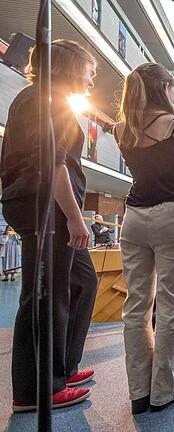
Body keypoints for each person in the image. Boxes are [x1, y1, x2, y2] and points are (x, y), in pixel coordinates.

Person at [1, 40, 98, 412]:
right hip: (45, 208)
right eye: (89, 72)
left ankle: (61, 367)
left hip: (40, 205)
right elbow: (54, 166)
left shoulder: (40, 98)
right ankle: (33, 390)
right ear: (69, 67)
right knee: (45, 295)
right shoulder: (49, 100)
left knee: (82, 282)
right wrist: (75, 217)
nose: (91, 81)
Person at [114, 62, 174, 414]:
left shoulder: (120, 128)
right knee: (171, 305)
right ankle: (165, 389)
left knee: (136, 307)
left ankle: (139, 392)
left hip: (134, 218)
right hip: (173, 217)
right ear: (166, 87)